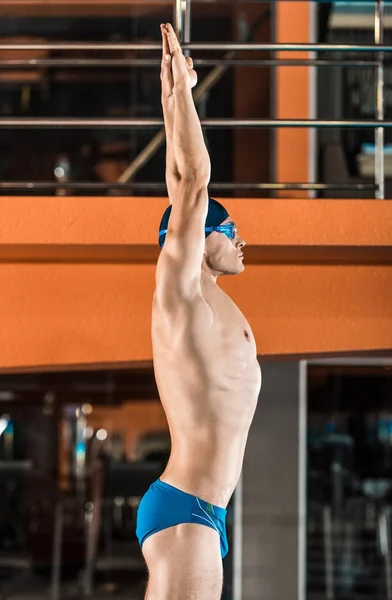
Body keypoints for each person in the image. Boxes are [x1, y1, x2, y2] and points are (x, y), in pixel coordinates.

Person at [136, 23, 262, 599]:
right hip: (187, 507)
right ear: (197, 237)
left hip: (204, 508)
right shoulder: (180, 287)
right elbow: (189, 183)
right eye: (229, 229)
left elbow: (177, 184)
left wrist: (170, 101)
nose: (240, 240)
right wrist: (186, 92)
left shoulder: (204, 294)